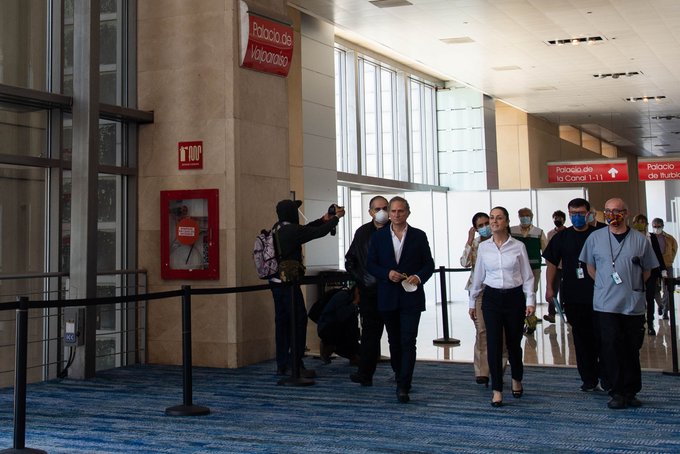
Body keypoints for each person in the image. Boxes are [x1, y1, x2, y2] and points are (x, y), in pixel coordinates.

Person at [579, 198, 658, 409]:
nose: (613, 215)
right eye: (608, 211)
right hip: (606, 304)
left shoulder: (640, 240)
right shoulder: (595, 238)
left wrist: (631, 287)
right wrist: (605, 285)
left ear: (626, 213)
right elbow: (590, 267)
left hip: (632, 304)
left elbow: (648, 271)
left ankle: (631, 391)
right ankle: (616, 391)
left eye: (617, 211)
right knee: (611, 346)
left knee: (631, 348)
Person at [366, 196, 435, 403]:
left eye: (400, 211)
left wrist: (419, 277)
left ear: (408, 213)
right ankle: (399, 374)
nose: (396, 215)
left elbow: (428, 264)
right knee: (394, 341)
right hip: (387, 295)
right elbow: (371, 264)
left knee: (408, 340)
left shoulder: (418, 236)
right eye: (393, 211)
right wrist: (386, 274)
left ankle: (404, 384)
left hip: (411, 296)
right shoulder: (378, 237)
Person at [270, 199, 345, 378]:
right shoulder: (292, 230)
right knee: (297, 321)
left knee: (281, 323)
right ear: (291, 213)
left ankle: (283, 363)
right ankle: (296, 364)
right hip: (289, 284)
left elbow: (309, 229)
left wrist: (324, 218)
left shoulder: (277, 229)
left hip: (275, 282)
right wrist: (336, 219)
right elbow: (316, 233)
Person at [469, 206, 536, 407]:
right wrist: (472, 301)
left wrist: (530, 300)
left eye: (499, 218)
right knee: (493, 343)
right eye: (492, 218)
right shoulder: (484, 247)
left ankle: (516, 378)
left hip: (514, 298)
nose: (494, 222)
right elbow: (478, 276)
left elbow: (527, 276)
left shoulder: (518, 246)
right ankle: (497, 389)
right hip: (491, 298)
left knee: (513, 343)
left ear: (506, 222)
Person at [543, 198, 604, 392]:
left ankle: (607, 376)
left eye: (580, 213)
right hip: (573, 295)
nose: (577, 217)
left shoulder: (600, 234)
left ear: (589, 213)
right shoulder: (561, 237)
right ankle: (588, 378)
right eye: (573, 214)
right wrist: (549, 288)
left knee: (602, 337)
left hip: (600, 295)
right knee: (581, 338)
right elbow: (552, 263)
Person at [345, 195, 390, 386]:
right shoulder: (362, 232)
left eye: (385, 208)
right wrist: (360, 279)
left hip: (391, 291)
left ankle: (400, 373)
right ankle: (365, 374)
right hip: (369, 291)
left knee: (396, 334)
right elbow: (351, 259)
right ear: (370, 212)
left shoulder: (396, 230)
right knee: (370, 335)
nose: (382, 212)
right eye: (377, 209)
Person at [460, 212, 493, 385]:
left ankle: (497, 368)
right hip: (478, 290)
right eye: (480, 225)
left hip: (497, 290)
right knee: (482, 330)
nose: (485, 227)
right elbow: (464, 262)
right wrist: (469, 240)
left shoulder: (500, 240)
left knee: (499, 332)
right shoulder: (475, 243)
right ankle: (482, 371)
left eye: (487, 223)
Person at [632, 214, 664, 335]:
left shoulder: (652, 237)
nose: (640, 224)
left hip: (650, 270)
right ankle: (639, 322)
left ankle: (650, 323)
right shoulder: (630, 237)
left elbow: (657, 254)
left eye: (643, 222)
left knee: (650, 297)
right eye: (638, 222)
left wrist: (662, 269)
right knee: (637, 297)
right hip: (635, 271)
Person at [510, 207, 547, 295]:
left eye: (527, 215)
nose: (525, 217)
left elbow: (546, 250)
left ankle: (531, 308)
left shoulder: (539, 232)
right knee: (517, 292)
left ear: (532, 216)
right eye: (522, 216)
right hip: (516, 268)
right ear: (518, 217)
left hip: (534, 267)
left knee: (532, 291)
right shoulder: (511, 231)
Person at [651, 218, 678, 320]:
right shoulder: (650, 238)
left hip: (667, 266)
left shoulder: (669, 238)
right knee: (655, 288)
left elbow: (674, 249)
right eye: (655, 226)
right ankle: (660, 305)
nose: (656, 228)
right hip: (654, 266)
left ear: (662, 226)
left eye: (658, 226)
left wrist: (669, 260)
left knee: (668, 288)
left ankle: (666, 309)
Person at [543, 210, 567, 323]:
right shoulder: (550, 234)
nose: (557, 220)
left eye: (560, 218)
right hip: (555, 267)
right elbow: (549, 251)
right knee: (552, 289)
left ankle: (566, 311)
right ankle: (551, 314)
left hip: (567, 266)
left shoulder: (568, 232)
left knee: (566, 291)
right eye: (555, 218)